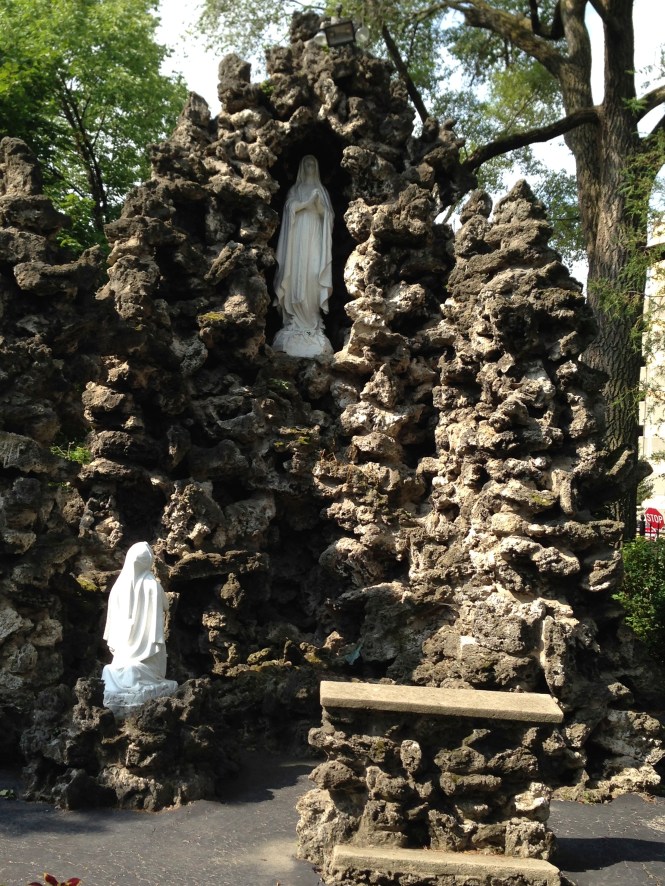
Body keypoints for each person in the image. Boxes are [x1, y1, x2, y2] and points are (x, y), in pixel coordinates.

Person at [101, 541, 177, 717]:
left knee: (113, 669)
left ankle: (128, 673)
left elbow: (113, 616)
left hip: (123, 649)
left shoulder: (118, 586)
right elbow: (166, 605)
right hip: (149, 649)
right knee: (143, 670)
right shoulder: (152, 585)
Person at [272, 154, 334, 357]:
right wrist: (306, 204)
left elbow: (329, 218)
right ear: (301, 167)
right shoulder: (295, 190)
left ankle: (312, 322)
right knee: (297, 276)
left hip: (315, 238)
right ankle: (293, 322)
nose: (309, 166)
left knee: (313, 276)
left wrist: (319, 208)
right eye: (306, 163)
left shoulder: (322, 191)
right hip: (297, 241)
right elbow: (289, 209)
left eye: (313, 163)